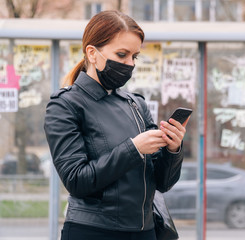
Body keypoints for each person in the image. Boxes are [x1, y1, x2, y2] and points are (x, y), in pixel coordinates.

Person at [44, 10, 188, 240]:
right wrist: (134, 148)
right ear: (92, 53)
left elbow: (163, 183)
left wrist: (173, 149)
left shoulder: (136, 104)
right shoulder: (65, 105)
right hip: (93, 232)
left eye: (135, 56)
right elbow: (76, 181)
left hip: (145, 231)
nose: (130, 64)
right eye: (122, 54)